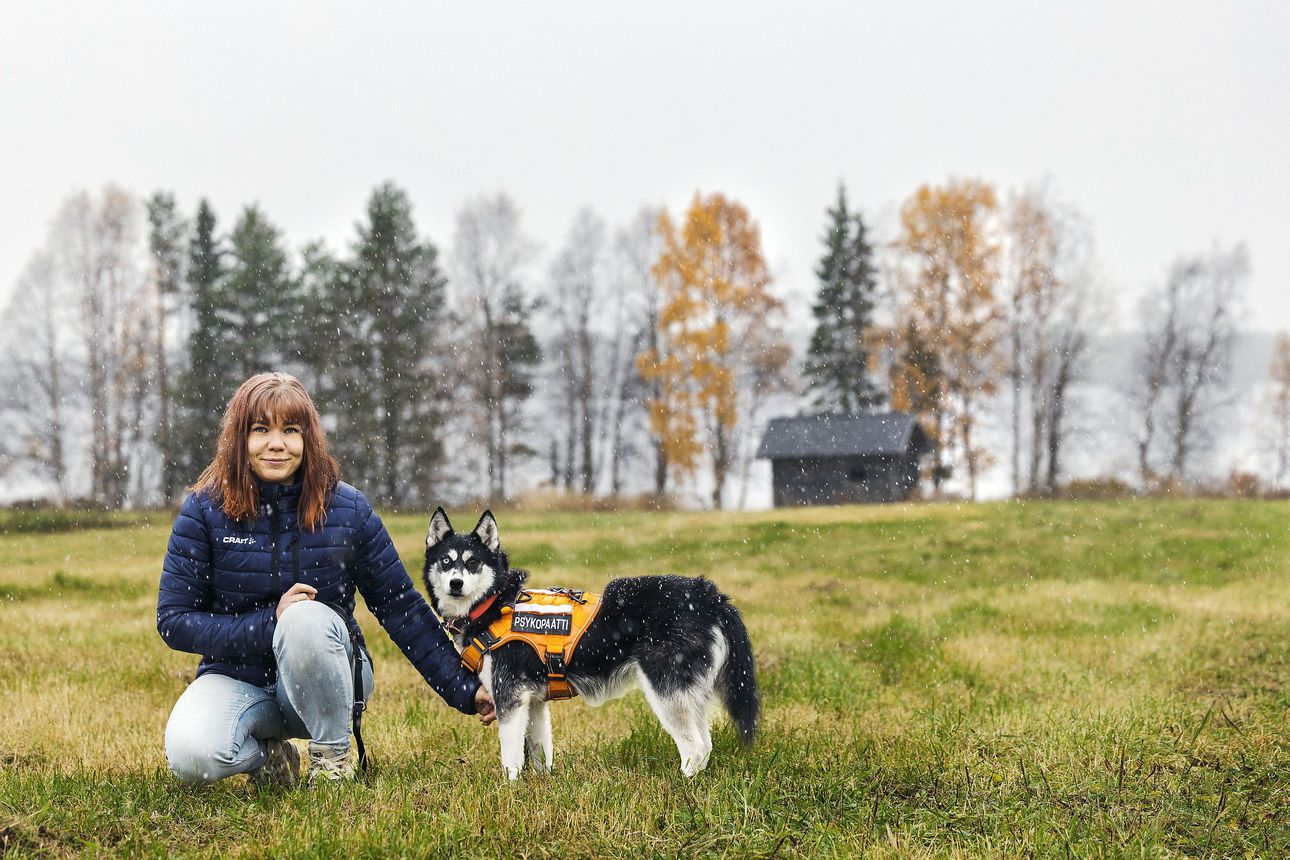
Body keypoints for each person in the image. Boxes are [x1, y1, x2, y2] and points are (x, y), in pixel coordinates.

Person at [157, 372, 494, 786]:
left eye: (290, 430)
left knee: (304, 617)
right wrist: (269, 623)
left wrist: (464, 687)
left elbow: (400, 607)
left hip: (330, 677)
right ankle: (266, 754)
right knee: (193, 759)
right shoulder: (204, 511)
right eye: (261, 429)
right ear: (239, 439)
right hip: (236, 679)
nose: (276, 443)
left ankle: (332, 758)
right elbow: (173, 620)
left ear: (309, 439)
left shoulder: (347, 509)